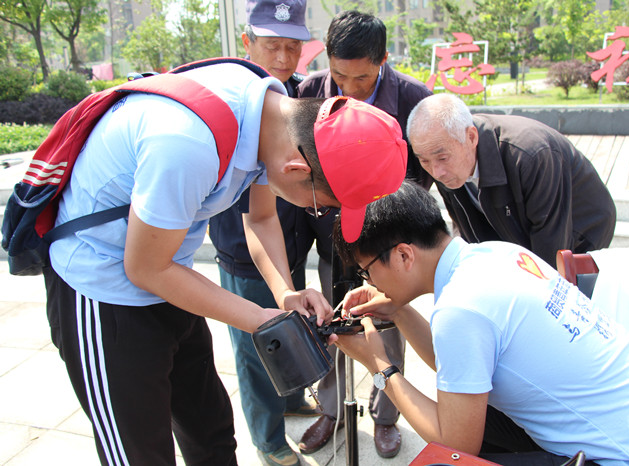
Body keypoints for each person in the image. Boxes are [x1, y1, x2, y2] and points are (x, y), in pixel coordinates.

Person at [43, 55, 409, 466]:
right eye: (320, 206)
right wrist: (262, 319)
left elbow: (262, 217)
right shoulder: (186, 144)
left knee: (212, 432)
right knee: (139, 450)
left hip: (169, 272)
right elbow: (144, 268)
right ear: (296, 167)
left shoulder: (273, 118)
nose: (317, 213)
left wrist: (285, 295)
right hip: (105, 289)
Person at [331, 180, 629, 465]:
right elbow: (459, 371)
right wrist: (398, 310)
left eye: (366, 271)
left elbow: (456, 445)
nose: (370, 284)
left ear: (403, 255)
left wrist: (377, 365)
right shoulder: (498, 253)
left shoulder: (461, 308)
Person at [296, 9, 432, 458]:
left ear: (383, 60)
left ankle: (386, 412)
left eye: (362, 80)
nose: (349, 91)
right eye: (340, 77)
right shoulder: (310, 93)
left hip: (385, 239)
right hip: (333, 230)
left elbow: (420, 181)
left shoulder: (414, 101)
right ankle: (332, 409)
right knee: (336, 323)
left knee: (386, 326)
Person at [207, 1, 319, 465]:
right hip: (241, 248)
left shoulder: (290, 94)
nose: (282, 59)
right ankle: (269, 440)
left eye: (292, 48)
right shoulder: (226, 102)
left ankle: (291, 400)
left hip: (285, 240)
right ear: (246, 41)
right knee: (257, 349)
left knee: (289, 329)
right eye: (272, 46)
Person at [406, 93, 617, 268]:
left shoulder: (531, 155)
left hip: (581, 226)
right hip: (512, 224)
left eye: (442, 158)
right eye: (424, 161)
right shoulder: (448, 159)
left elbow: (550, 249)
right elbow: (466, 232)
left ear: (471, 137)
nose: (437, 172)